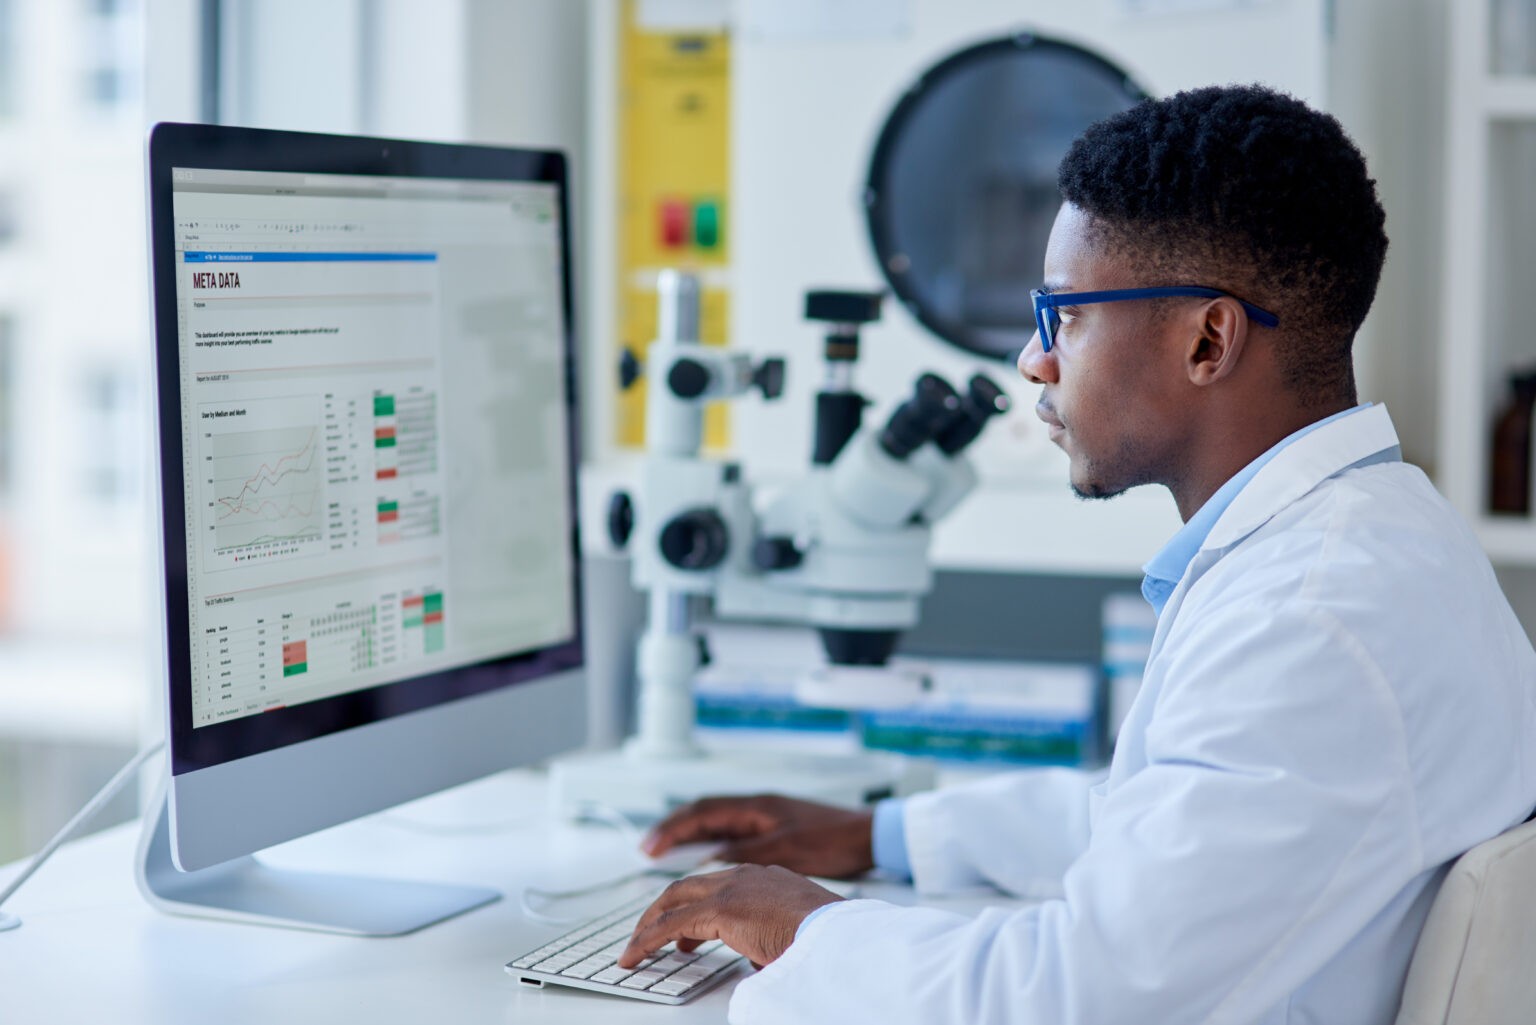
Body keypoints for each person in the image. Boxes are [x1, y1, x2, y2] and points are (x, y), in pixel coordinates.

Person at [617, 84, 1536, 1024]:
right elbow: (1169, 823)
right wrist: (879, 833)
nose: (1033, 359)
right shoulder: (1369, 542)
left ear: (1207, 338)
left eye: (1067, 315)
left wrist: (808, 932)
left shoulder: (1311, 618)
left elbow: (1078, 997)